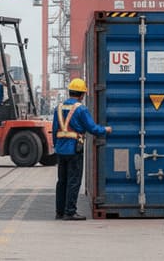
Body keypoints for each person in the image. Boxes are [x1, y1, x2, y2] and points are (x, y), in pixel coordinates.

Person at [52, 78, 112, 221]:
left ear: (70, 91)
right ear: (82, 94)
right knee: (73, 181)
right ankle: (70, 212)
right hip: (74, 150)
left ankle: (59, 212)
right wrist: (106, 130)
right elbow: (92, 128)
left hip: (61, 150)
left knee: (62, 181)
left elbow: (55, 130)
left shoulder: (58, 108)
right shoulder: (81, 109)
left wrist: (57, 146)